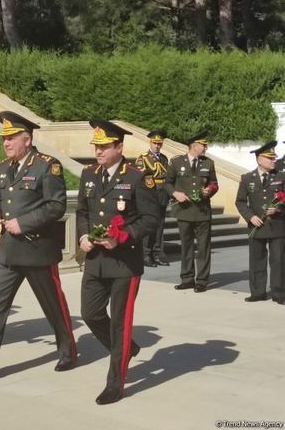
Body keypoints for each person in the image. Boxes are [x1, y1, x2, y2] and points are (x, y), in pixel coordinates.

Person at [0, 111, 76, 383]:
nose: (6, 143)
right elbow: (0, 199)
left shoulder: (47, 166)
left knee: (53, 305)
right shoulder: (3, 167)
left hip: (37, 250)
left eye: (11, 138)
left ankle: (68, 350)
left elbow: (56, 205)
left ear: (27, 139)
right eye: (4, 139)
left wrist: (23, 223)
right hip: (8, 250)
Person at [76, 119, 159, 405]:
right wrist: (84, 235)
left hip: (125, 262)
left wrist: (123, 237)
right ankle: (127, 349)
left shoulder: (137, 177)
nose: (98, 151)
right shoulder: (88, 174)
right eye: (96, 146)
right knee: (90, 313)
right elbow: (83, 211)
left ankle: (115, 383)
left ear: (119, 147)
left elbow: (151, 219)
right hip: (96, 259)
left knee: (120, 323)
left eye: (104, 146)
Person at [164, 131, 218, 293]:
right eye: (203, 145)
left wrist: (210, 190)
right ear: (194, 146)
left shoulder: (208, 163)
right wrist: (175, 193)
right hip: (184, 211)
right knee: (186, 246)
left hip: (202, 211)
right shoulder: (176, 162)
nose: (206, 148)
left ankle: (201, 280)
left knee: (203, 247)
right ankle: (187, 278)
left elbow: (214, 183)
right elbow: (167, 183)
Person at [235, 141, 285, 304]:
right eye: (269, 158)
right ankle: (258, 292)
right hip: (256, 225)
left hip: (277, 225)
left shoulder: (281, 176)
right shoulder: (247, 178)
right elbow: (240, 202)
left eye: (274, 157)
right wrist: (250, 217)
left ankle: (279, 293)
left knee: (278, 261)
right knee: (257, 259)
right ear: (259, 160)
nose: (273, 160)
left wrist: (278, 209)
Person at [134, 130, 170, 267]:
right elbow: (143, 178)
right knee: (149, 225)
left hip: (162, 194)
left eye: (159, 143)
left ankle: (157, 253)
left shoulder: (164, 158)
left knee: (160, 226)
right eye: (155, 143)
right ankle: (145, 254)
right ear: (150, 143)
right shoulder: (143, 158)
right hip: (150, 194)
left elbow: (167, 178)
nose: (157, 146)